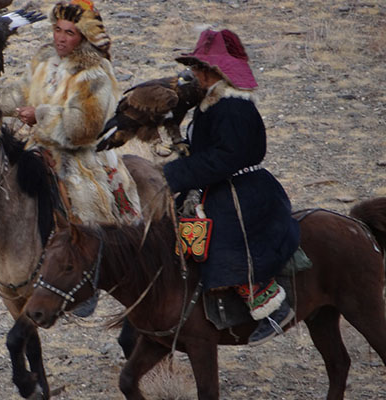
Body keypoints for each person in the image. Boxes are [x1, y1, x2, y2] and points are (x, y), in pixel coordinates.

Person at [162, 29, 300, 346]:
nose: (192, 73)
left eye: (197, 68)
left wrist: (178, 172)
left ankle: (267, 301)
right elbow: (209, 153)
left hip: (245, 190)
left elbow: (227, 157)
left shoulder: (233, 107)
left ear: (213, 72)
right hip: (220, 184)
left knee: (218, 233)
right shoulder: (211, 103)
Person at [0, 0, 141, 226]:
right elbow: (21, 94)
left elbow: (84, 129)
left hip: (82, 157)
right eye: (57, 29)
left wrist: (40, 115)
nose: (60, 37)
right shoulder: (45, 60)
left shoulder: (95, 75)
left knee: (89, 214)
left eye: (69, 32)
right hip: (39, 147)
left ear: (85, 36)